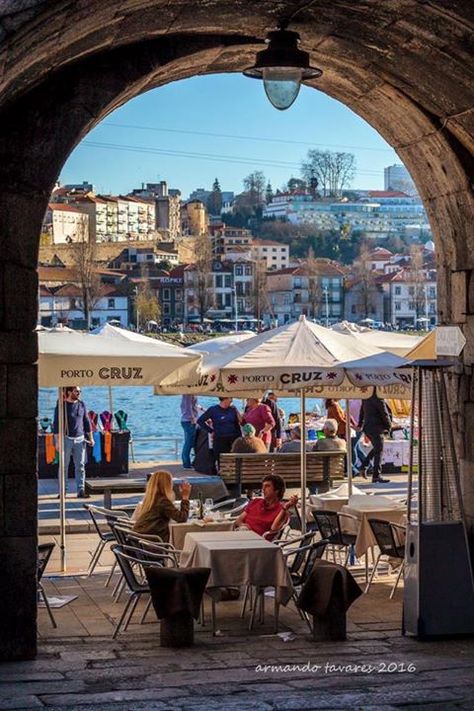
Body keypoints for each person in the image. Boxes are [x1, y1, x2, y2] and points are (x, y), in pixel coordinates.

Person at [53, 385, 93, 498]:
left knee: (80, 466)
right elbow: (56, 424)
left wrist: (91, 437)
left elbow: (86, 421)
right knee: (64, 466)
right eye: (76, 391)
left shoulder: (81, 404)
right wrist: (57, 441)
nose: (79, 393)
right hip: (66, 439)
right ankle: (63, 491)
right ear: (70, 392)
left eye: (80, 391)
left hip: (80, 439)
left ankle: (81, 490)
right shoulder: (62, 406)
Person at [133, 470, 191, 542]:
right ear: (167, 484)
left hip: (139, 540)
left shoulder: (151, 499)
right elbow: (182, 518)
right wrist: (185, 497)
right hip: (151, 544)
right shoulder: (163, 502)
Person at [233, 474, 298, 537]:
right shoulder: (255, 502)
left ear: (277, 490)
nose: (263, 489)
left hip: (258, 543)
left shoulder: (282, 510)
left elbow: (274, 528)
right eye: (263, 486)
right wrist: (244, 526)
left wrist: (285, 508)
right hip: (241, 534)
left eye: (267, 486)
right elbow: (238, 521)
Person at [355, 390, 392, 483]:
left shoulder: (366, 398)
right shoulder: (379, 399)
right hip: (377, 428)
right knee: (379, 450)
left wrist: (360, 424)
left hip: (368, 427)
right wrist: (389, 426)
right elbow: (385, 414)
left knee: (377, 448)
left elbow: (362, 411)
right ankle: (376, 475)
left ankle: (364, 466)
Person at [197, 397, 242, 469]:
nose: (232, 401)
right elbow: (200, 421)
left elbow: (241, 423)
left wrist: (236, 410)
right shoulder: (213, 409)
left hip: (233, 439)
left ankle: (233, 477)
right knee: (221, 461)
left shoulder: (233, 409)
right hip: (219, 439)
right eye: (230, 399)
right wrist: (211, 431)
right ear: (225, 399)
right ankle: (222, 475)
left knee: (233, 461)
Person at [180, 395, 200, 469]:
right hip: (189, 421)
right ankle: (186, 464)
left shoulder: (188, 394)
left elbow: (191, 406)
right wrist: (193, 419)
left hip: (187, 420)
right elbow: (188, 407)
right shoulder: (188, 394)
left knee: (189, 442)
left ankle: (187, 463)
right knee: (189, 443)